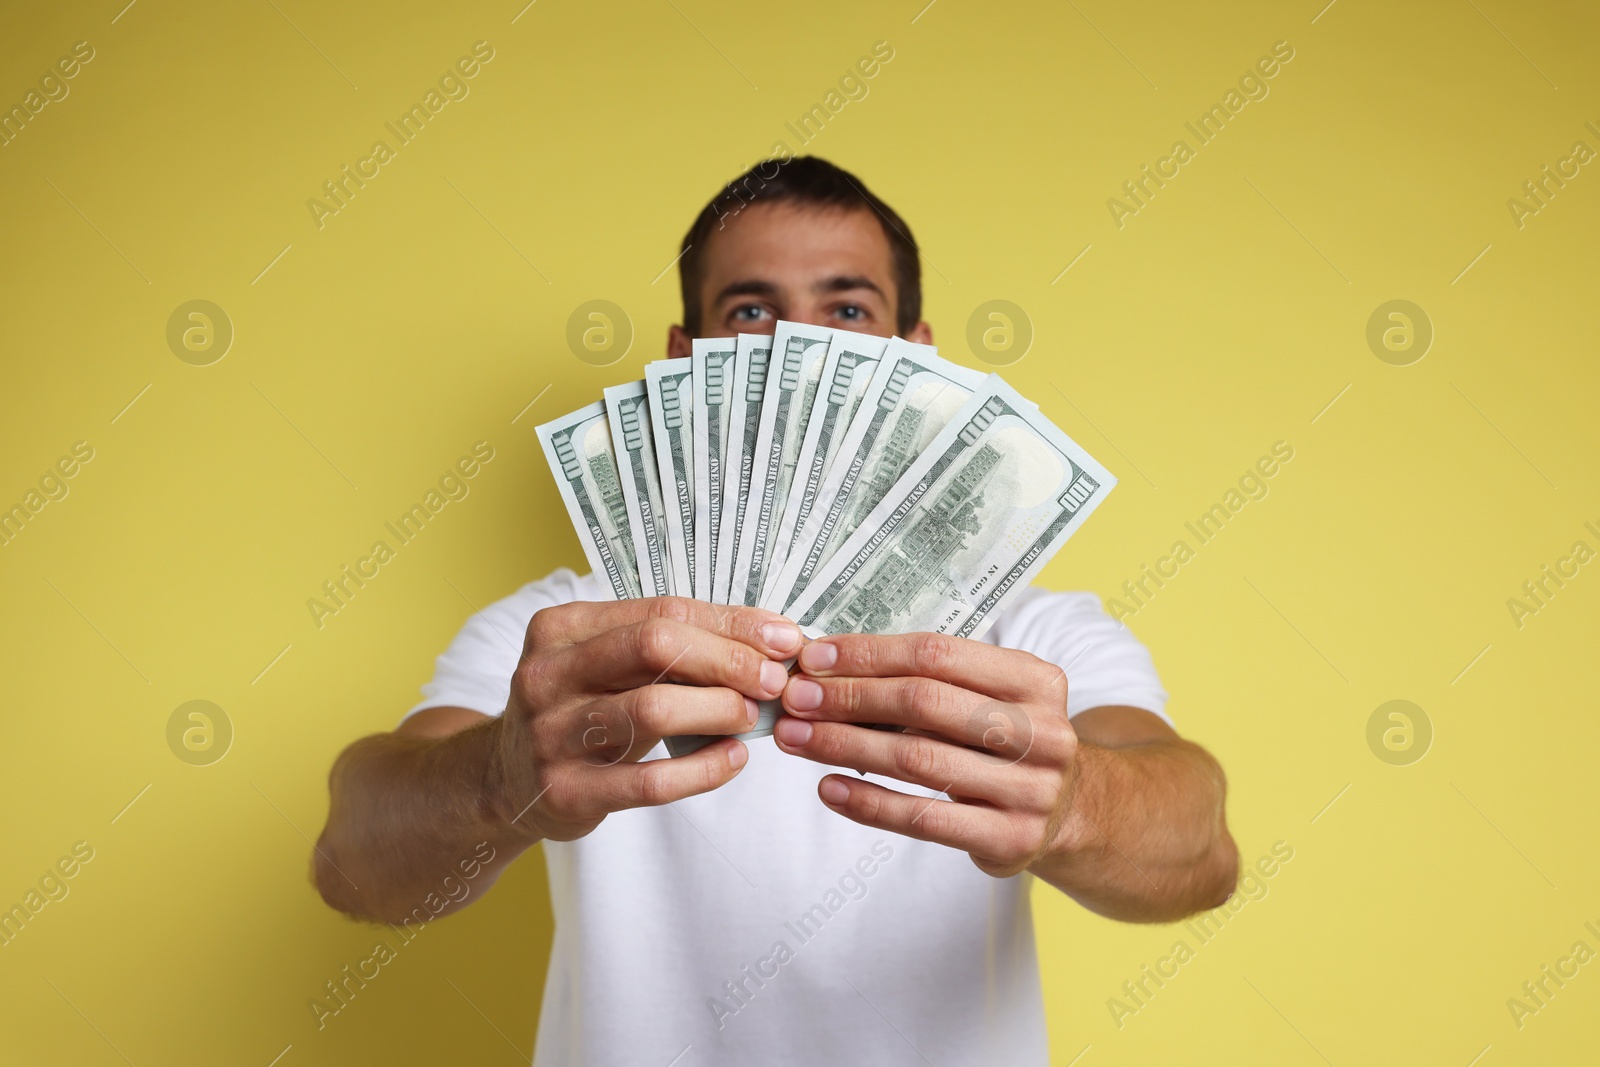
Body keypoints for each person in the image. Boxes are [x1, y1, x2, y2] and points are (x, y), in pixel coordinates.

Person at [313, 156, 1238, 1065]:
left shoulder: (1034, 634)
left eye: (846, 309)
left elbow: (1201, 850)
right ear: (686, 360)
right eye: (752, 311)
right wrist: (497, 777)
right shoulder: (563, 635)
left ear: (912, 357)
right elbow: (352, 863)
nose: (803, 348)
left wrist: (1076, 805)